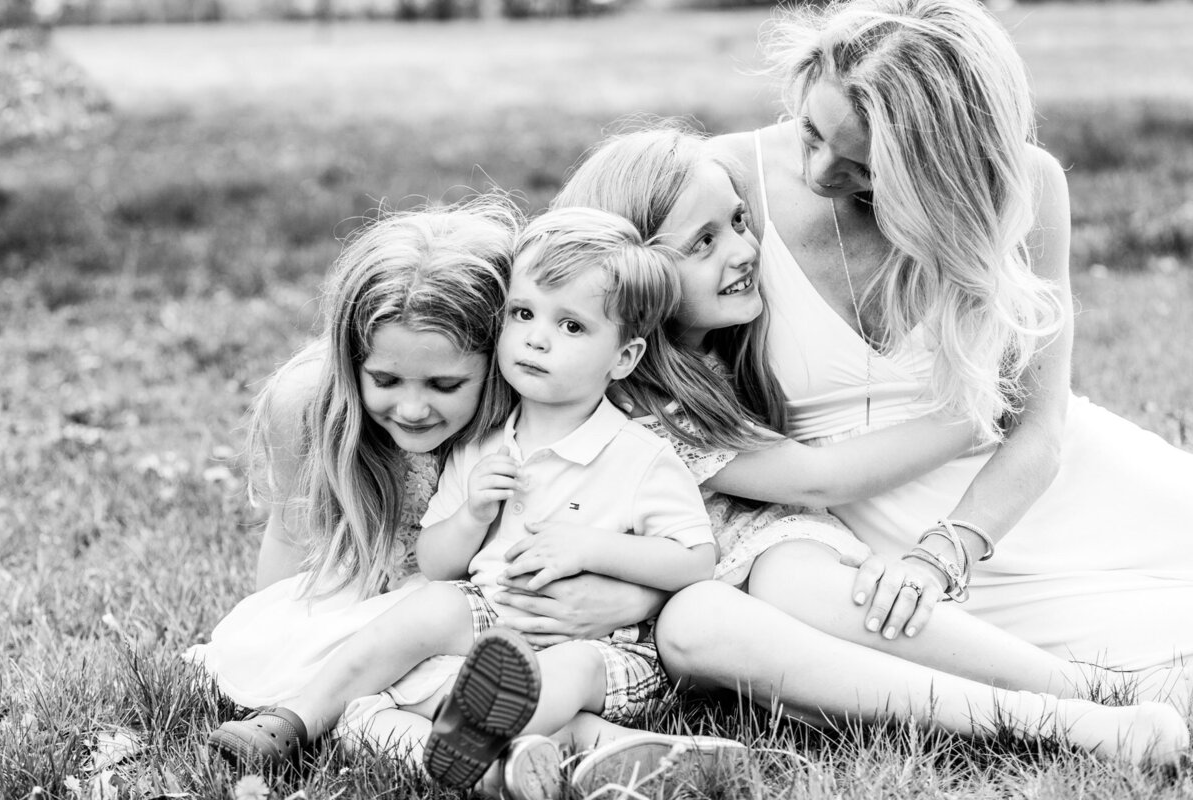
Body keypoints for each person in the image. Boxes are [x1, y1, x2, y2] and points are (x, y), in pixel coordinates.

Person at [535, 125, 1188, 767]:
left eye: (738, 222)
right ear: (634, 276)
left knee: (783, 586)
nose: (742, 249)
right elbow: (822, 480)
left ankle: (1081, 702)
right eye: (702, 242)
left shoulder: (716, 357)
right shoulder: (656, 408)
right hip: (725, 589)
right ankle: (1072, 706)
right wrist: (984, 406)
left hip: (781, 574)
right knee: (742, 603)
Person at [205, 206, 731, 792]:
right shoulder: (483, 449)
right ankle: (305, 720)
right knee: (380, 683)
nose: (537, 338)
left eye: (446, 384)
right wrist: (473, 514)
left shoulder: (635, 454)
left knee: (554, 672)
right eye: (525, 315)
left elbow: (694, 559)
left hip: (600, 648)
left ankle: (566, 750)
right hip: (489, 618)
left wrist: (596, 553)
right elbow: (433, 566)